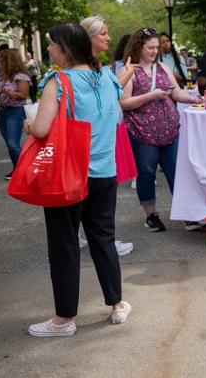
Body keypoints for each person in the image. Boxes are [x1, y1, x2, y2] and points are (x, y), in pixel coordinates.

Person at [25, 21, 132, 337]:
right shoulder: (107, 77)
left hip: (69, 174)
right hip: (105, 171)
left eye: (52, 43)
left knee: (65, 243)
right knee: (103, 238)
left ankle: (63, 320)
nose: (49, 48)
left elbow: (43, 128)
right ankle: (117, 305)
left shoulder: (58, 80)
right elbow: (114, 119)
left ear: (66, 48)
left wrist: (29, 126)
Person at [120, 27, 203, 232]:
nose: (154, 51)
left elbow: (175, 93)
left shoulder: (163, 68)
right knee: (147, 173)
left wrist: (194, 99)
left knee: (176, 171)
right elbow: (123, 103)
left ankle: (187, 214)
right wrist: (150, 96)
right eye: (150, 47)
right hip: (142, 132)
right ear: (138, 47)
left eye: (156, 47)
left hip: (169, 130)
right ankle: (151, 215)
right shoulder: (129, 70)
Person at [80, 16, 135, 256]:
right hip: (95, 144)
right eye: (103, 33)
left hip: (94, 142)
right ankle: (103, 241)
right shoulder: (86, 69)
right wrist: (126, 74)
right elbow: (105, 94)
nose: (108, 37)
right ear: (88, 37)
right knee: (99, 199)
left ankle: (92, 236)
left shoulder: (91, 66)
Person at [0, 49, 30, 178]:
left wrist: (9, 93)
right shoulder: (1, 76)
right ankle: (16, 168)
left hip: (15, 111)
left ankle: (25, 170)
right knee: (9, 144)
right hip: (3, 112)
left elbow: (23, 95)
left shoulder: (21, 76)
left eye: (1, 60)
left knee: (13, 143)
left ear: (9, 61)